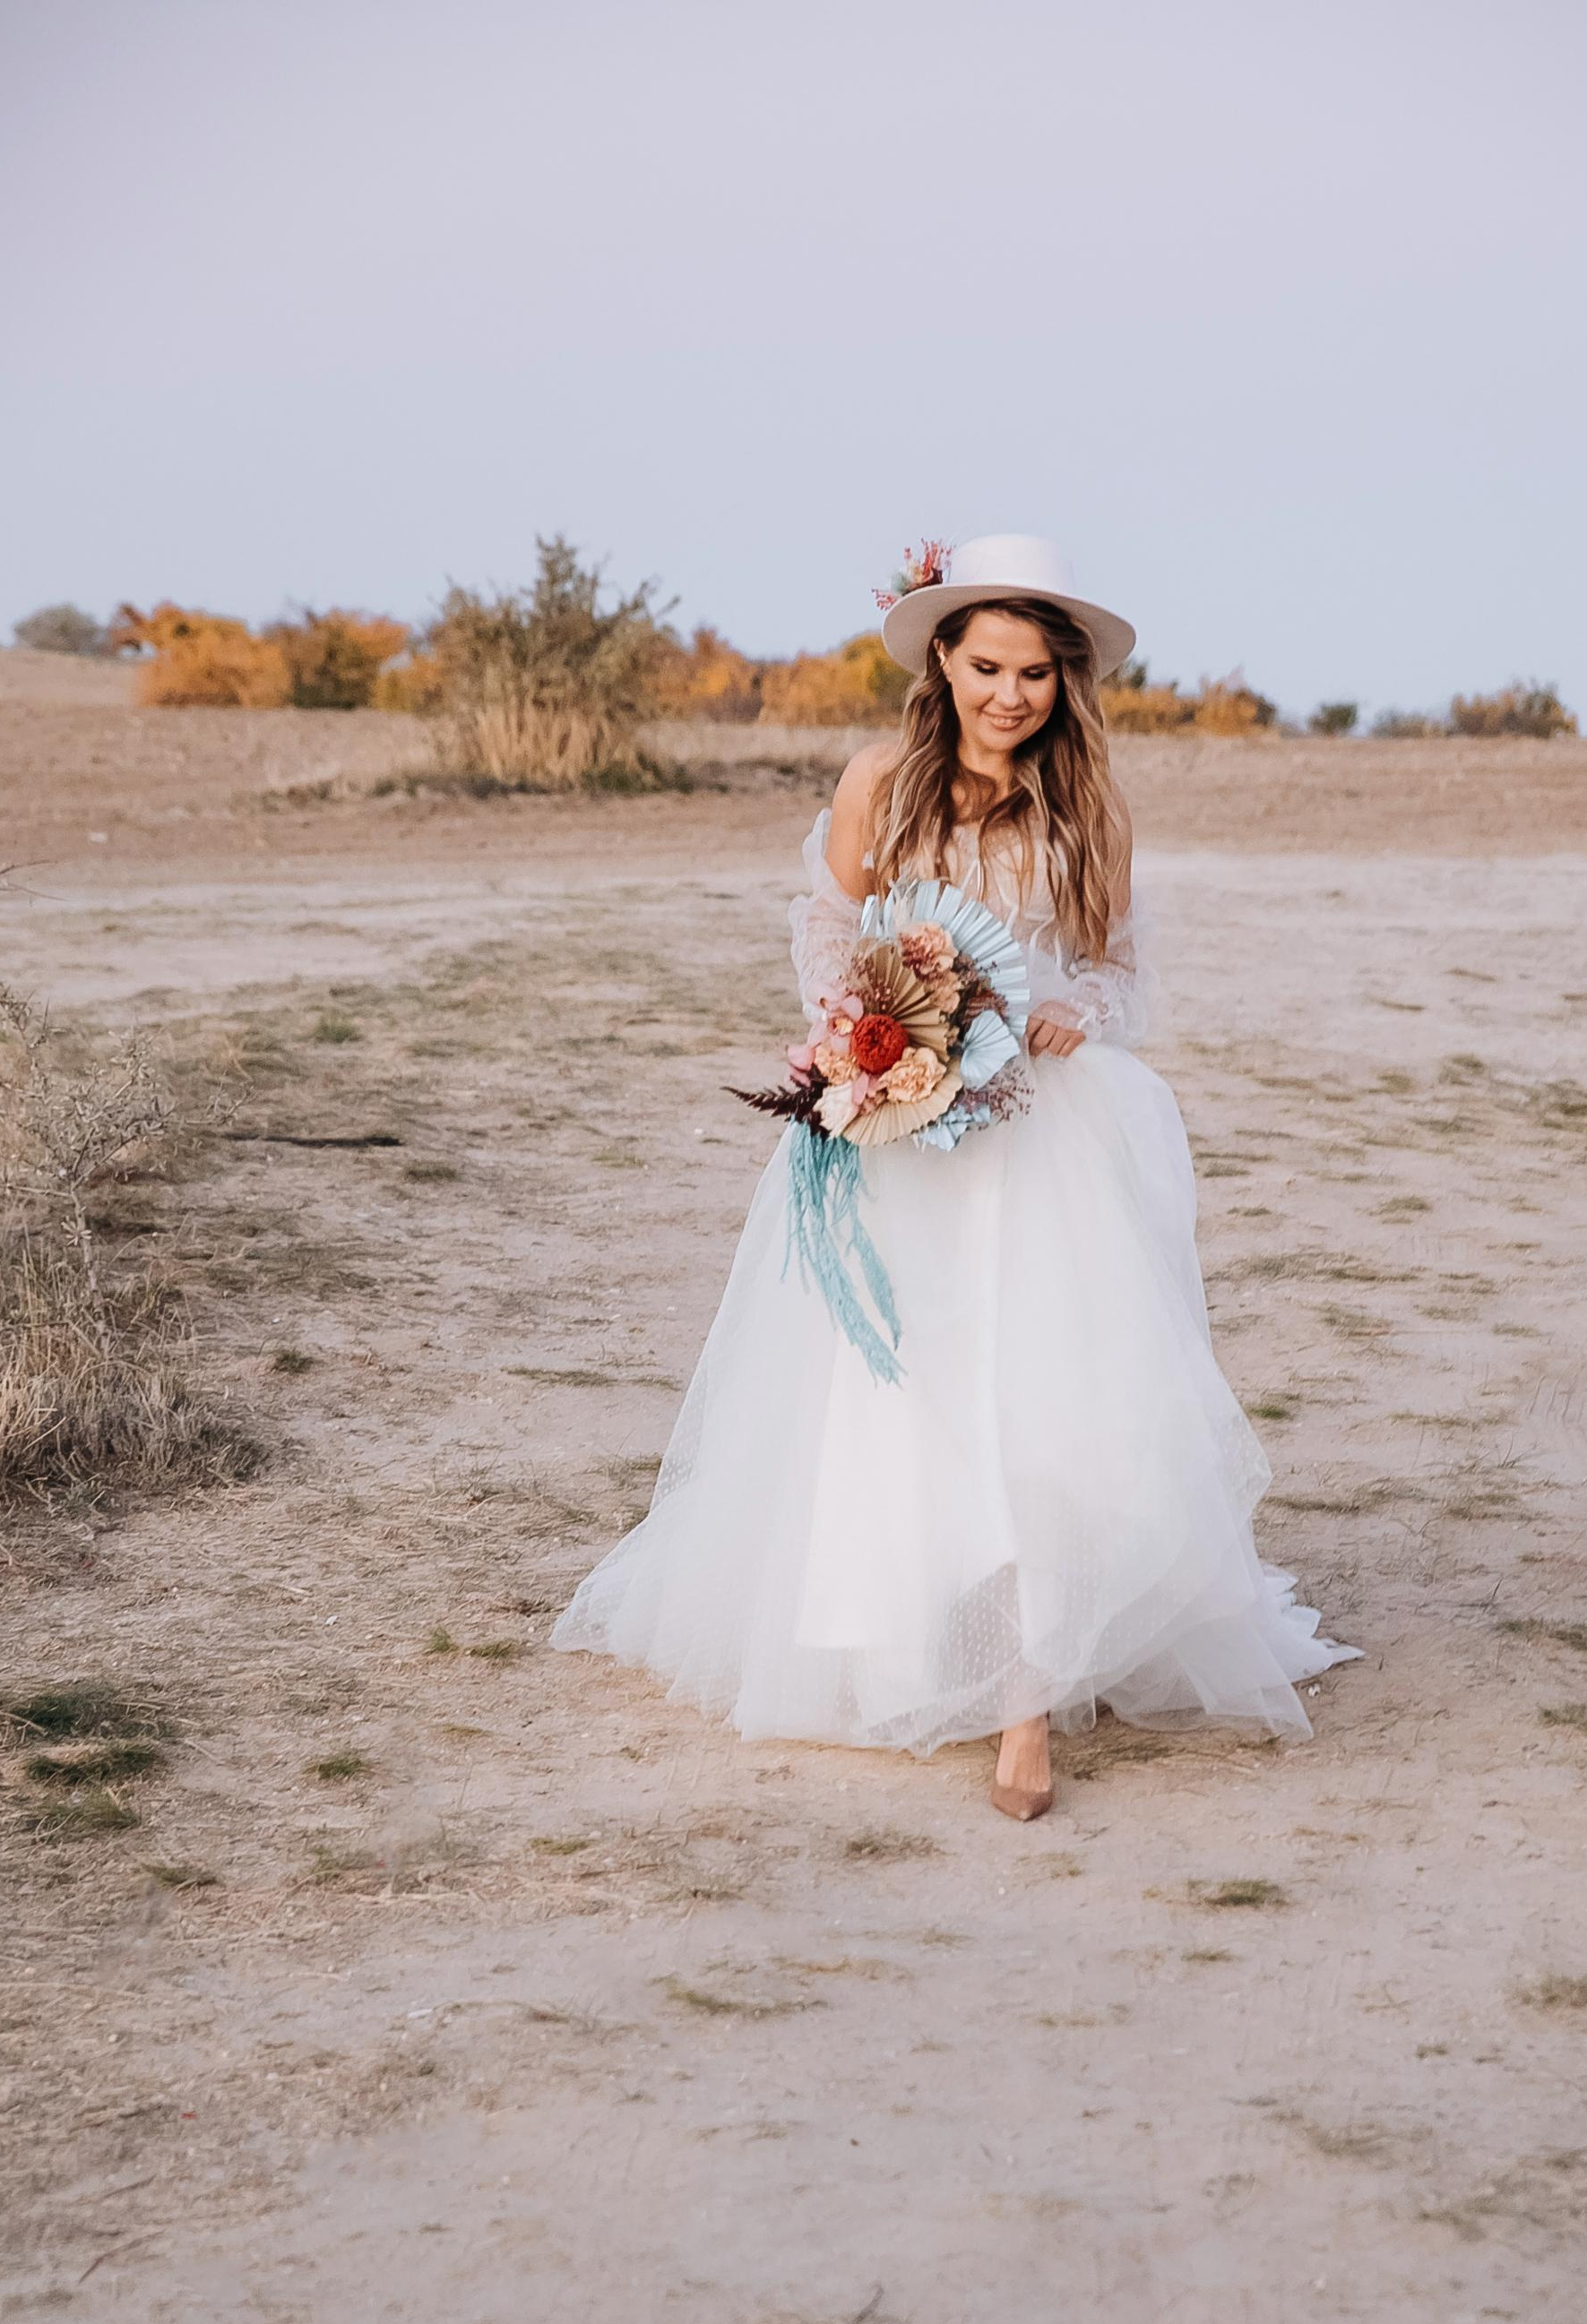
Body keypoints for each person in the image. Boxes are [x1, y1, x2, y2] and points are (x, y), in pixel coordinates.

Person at [553, 534, 1355, 1817]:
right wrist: (863, 1032)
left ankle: (1023, 1702)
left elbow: (1118, 969)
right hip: (905, 1123)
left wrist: (1076, 1009)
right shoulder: (883, 778)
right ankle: (915, 1637)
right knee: (904, 1400)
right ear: (942, 655)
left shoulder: (1088, 802)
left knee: (1038, 1403)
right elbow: (827, 919)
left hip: (1042, 1134)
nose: (1010, 696)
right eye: (989, 665)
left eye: (1037, 673)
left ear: (1065, 682)